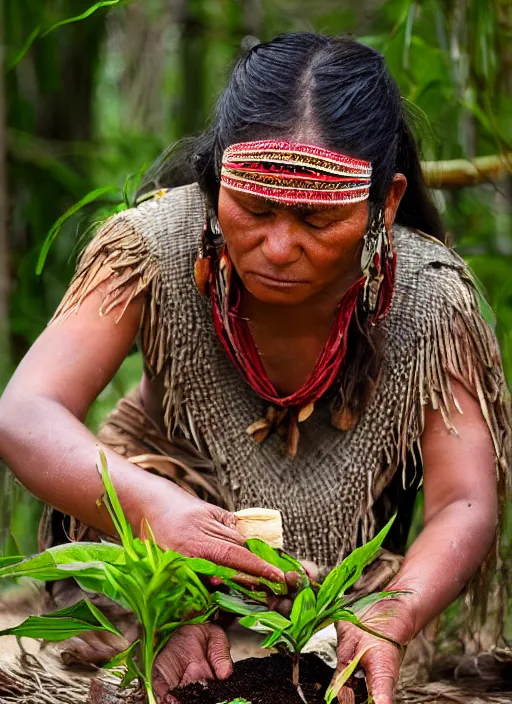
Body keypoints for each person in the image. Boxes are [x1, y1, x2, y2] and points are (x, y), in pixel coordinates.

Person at [0, 32, 509, 704]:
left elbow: (464, 500)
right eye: (255, 209)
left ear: (384, 203)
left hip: (338, 593)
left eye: (315, 219)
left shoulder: (429, 296)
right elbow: (25, 413)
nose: (277, 246)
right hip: (147, 577)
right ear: (214, 185)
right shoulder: (150, 249)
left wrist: (396, 613)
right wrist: (157, 513)